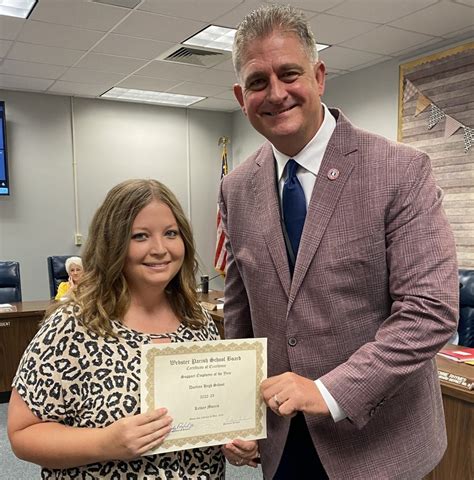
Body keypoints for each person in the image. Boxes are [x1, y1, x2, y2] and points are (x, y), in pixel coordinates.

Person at [219, 5, 459, 480]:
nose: (277, 93)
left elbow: (429, 311)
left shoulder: (400, 170)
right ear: (240, 95)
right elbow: (239, 313)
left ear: (320, 75)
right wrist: (235, 411)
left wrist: (328, 392)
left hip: (379, 446)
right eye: (258, 81)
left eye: (290, 73)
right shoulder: (237, 187)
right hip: (283, 439)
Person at [8, 179, 226, 479]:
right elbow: (23, 434)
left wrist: (234, 437)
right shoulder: (73, 326)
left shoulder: (198, 322)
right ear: (112, 243)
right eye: (140, 236)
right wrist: (105, 443)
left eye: (170, 233)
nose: (160, 249)